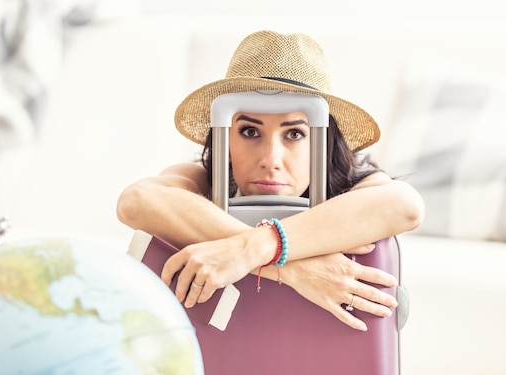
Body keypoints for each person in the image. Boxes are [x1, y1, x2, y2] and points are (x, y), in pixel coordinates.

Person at [116, 30, 424, 331]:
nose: (270, 159)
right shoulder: (206, 179)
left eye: (294, 134)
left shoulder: (353, 184)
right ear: (224, 137)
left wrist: (251, 250)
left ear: (324, 143)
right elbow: (135, 201)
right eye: (250, 131)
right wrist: (291, 269)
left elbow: (405, 206)